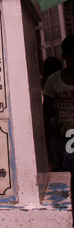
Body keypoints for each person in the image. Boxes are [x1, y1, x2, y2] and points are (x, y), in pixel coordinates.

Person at [43, 35, 74, 173]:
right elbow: (46, 113)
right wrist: (46, 146)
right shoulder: (54, 80)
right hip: (66, 133)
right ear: (64, 57)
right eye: (72, 56)